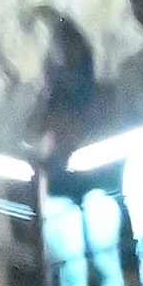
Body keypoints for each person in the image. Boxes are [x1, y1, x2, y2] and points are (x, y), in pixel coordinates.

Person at [29, 9, 101, 169]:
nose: (65, 51)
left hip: (85, 158)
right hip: (55, 161)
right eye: (59, 45)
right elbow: (34, 131)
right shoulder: (52, 92)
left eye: (69, 44)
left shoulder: (95, 93)